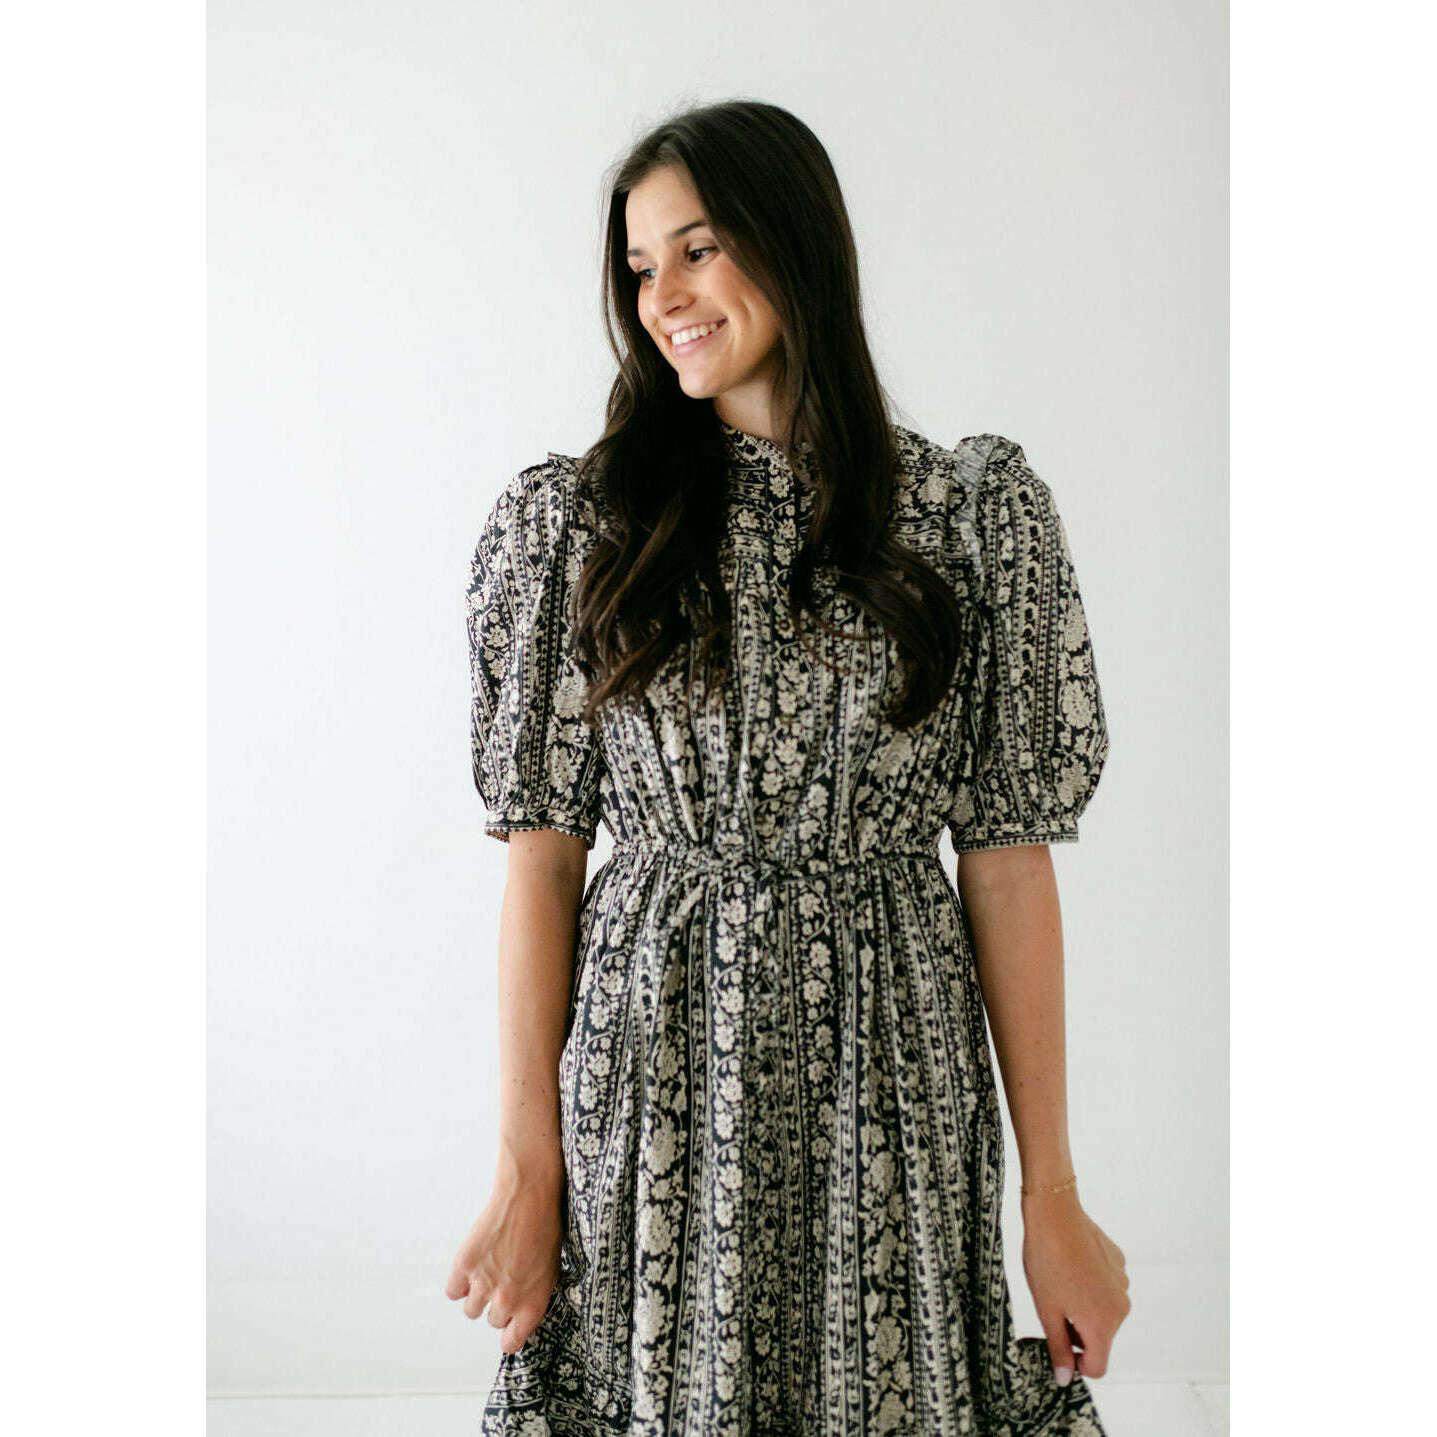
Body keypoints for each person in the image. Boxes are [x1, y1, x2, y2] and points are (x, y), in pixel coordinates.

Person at [445, 99, 1130, 1435]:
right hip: (655, 1067)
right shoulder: (581, 528)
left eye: (697, 249)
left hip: (893, 1058)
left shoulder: (969, 520)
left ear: (795, 242)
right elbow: (544, 862)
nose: (663, 298)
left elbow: (1005, 863)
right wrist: (528, 1168)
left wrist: (1052, 1194)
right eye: (640, 267)